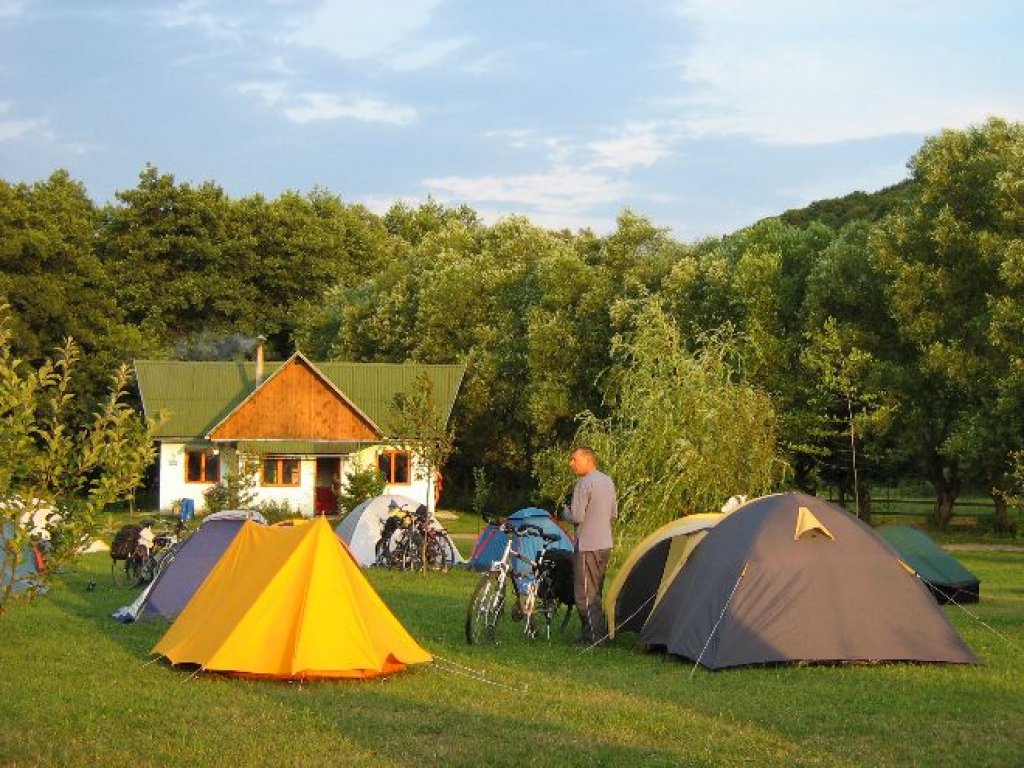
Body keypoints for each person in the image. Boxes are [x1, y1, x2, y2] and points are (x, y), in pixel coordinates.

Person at [562, 445, 617, 647]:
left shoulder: (584, 483)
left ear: (587, 460)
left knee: (584, 593)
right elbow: (613, 514)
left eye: (574, 459)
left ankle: (593, 638)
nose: (571, 463)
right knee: (596, 591)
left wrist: (565, 512)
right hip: (605, 544)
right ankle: (598, 633)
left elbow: (577, 516)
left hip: (588, 545)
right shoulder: (607, 481)